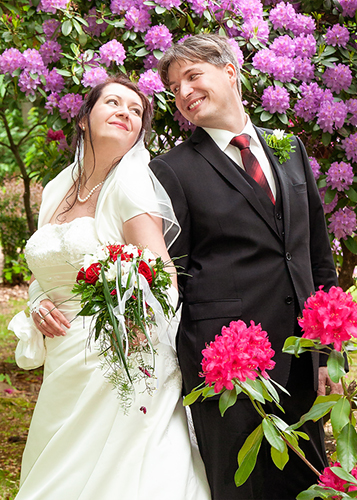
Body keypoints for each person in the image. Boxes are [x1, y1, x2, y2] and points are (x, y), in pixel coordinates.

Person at [149, 34, 341, 500]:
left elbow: (315, 254)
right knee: (243, 486)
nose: (185, 92)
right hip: (228, 364)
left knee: (307, 480)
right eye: (175, 87)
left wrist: (328, 352)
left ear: (230, 72)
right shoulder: (170, 169)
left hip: (300, 356)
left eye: (194, 76)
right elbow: (170, 273)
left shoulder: (287, 146)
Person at [9, 75, 211, 500]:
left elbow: (160, 272)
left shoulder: (131, 181)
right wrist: (38, 303)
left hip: (120, 354)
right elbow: (45, 269)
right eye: (114, 103)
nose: (125, 112)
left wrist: (133, 327)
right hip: (64, 357)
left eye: (135, 111)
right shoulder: (55, 189)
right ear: (84, 118)